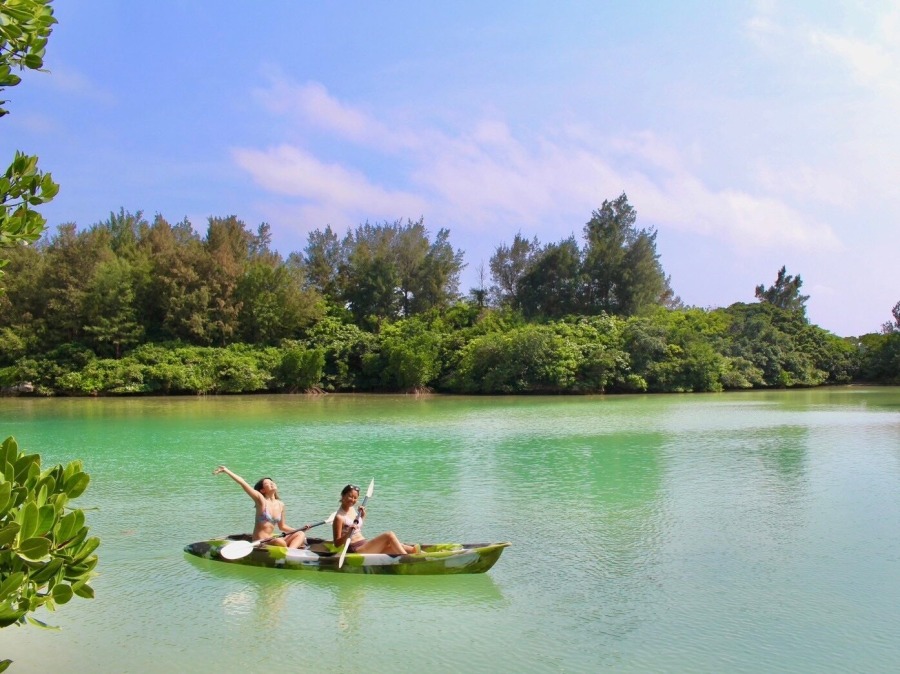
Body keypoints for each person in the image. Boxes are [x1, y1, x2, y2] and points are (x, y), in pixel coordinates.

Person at [213, 465, 309, 549]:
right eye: (268, 483)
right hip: (261, 541)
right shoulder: (260, 500)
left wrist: (300, 529)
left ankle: (290, 553)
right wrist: (226, 470)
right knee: (280, 541)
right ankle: (289, 550)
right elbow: (243, 483)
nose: (272, 483)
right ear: (262, 490)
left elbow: (282, 527)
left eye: (272, 482)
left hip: (273, 540)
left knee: (300, 534)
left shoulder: (281, 504)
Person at [332, 483, 418, 555]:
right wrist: (348, 534)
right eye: (350, 496)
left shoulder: (352, 509)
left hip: (364, 544)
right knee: (389, 535)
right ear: (343, 496)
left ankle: (424, 555)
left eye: (355, 498)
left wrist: (362, 516)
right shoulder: (339, 517)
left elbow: (357, 530)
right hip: (356, 549)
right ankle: (407, 560)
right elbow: (337, 544)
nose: (352, 500)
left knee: (400, 546)